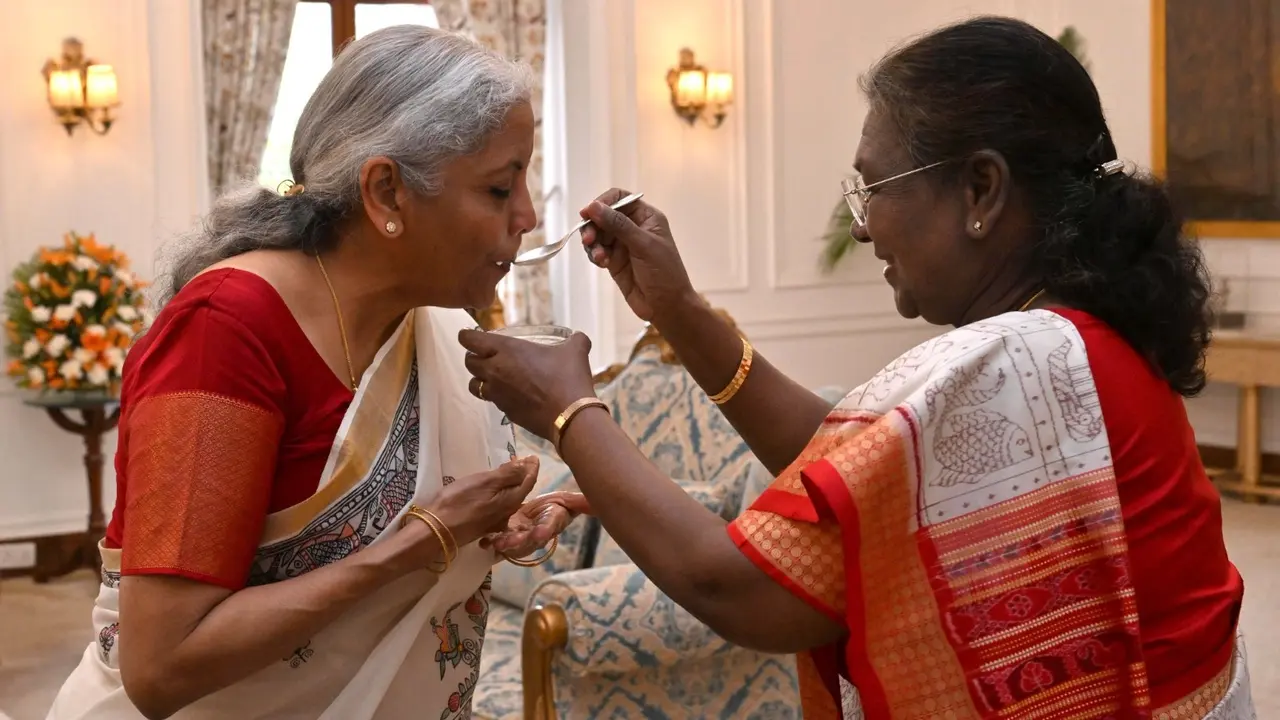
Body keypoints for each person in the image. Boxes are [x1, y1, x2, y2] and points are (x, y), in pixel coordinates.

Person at [458, 16, 1255, 720]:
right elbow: (854, 474)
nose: (863, 226)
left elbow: (737, 590)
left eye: (874, 187)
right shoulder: (1066, 339)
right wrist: (679, 312)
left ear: (981, 188)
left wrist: (570, 410)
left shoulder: (1013, 359)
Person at [47, 25, 579, 720]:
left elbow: (441, 502)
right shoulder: (226, 330)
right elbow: (162, 665)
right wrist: (428, 541)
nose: (529, 217)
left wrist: (505, 519)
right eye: (499, 187)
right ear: (386, 192)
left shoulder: (436, 322)